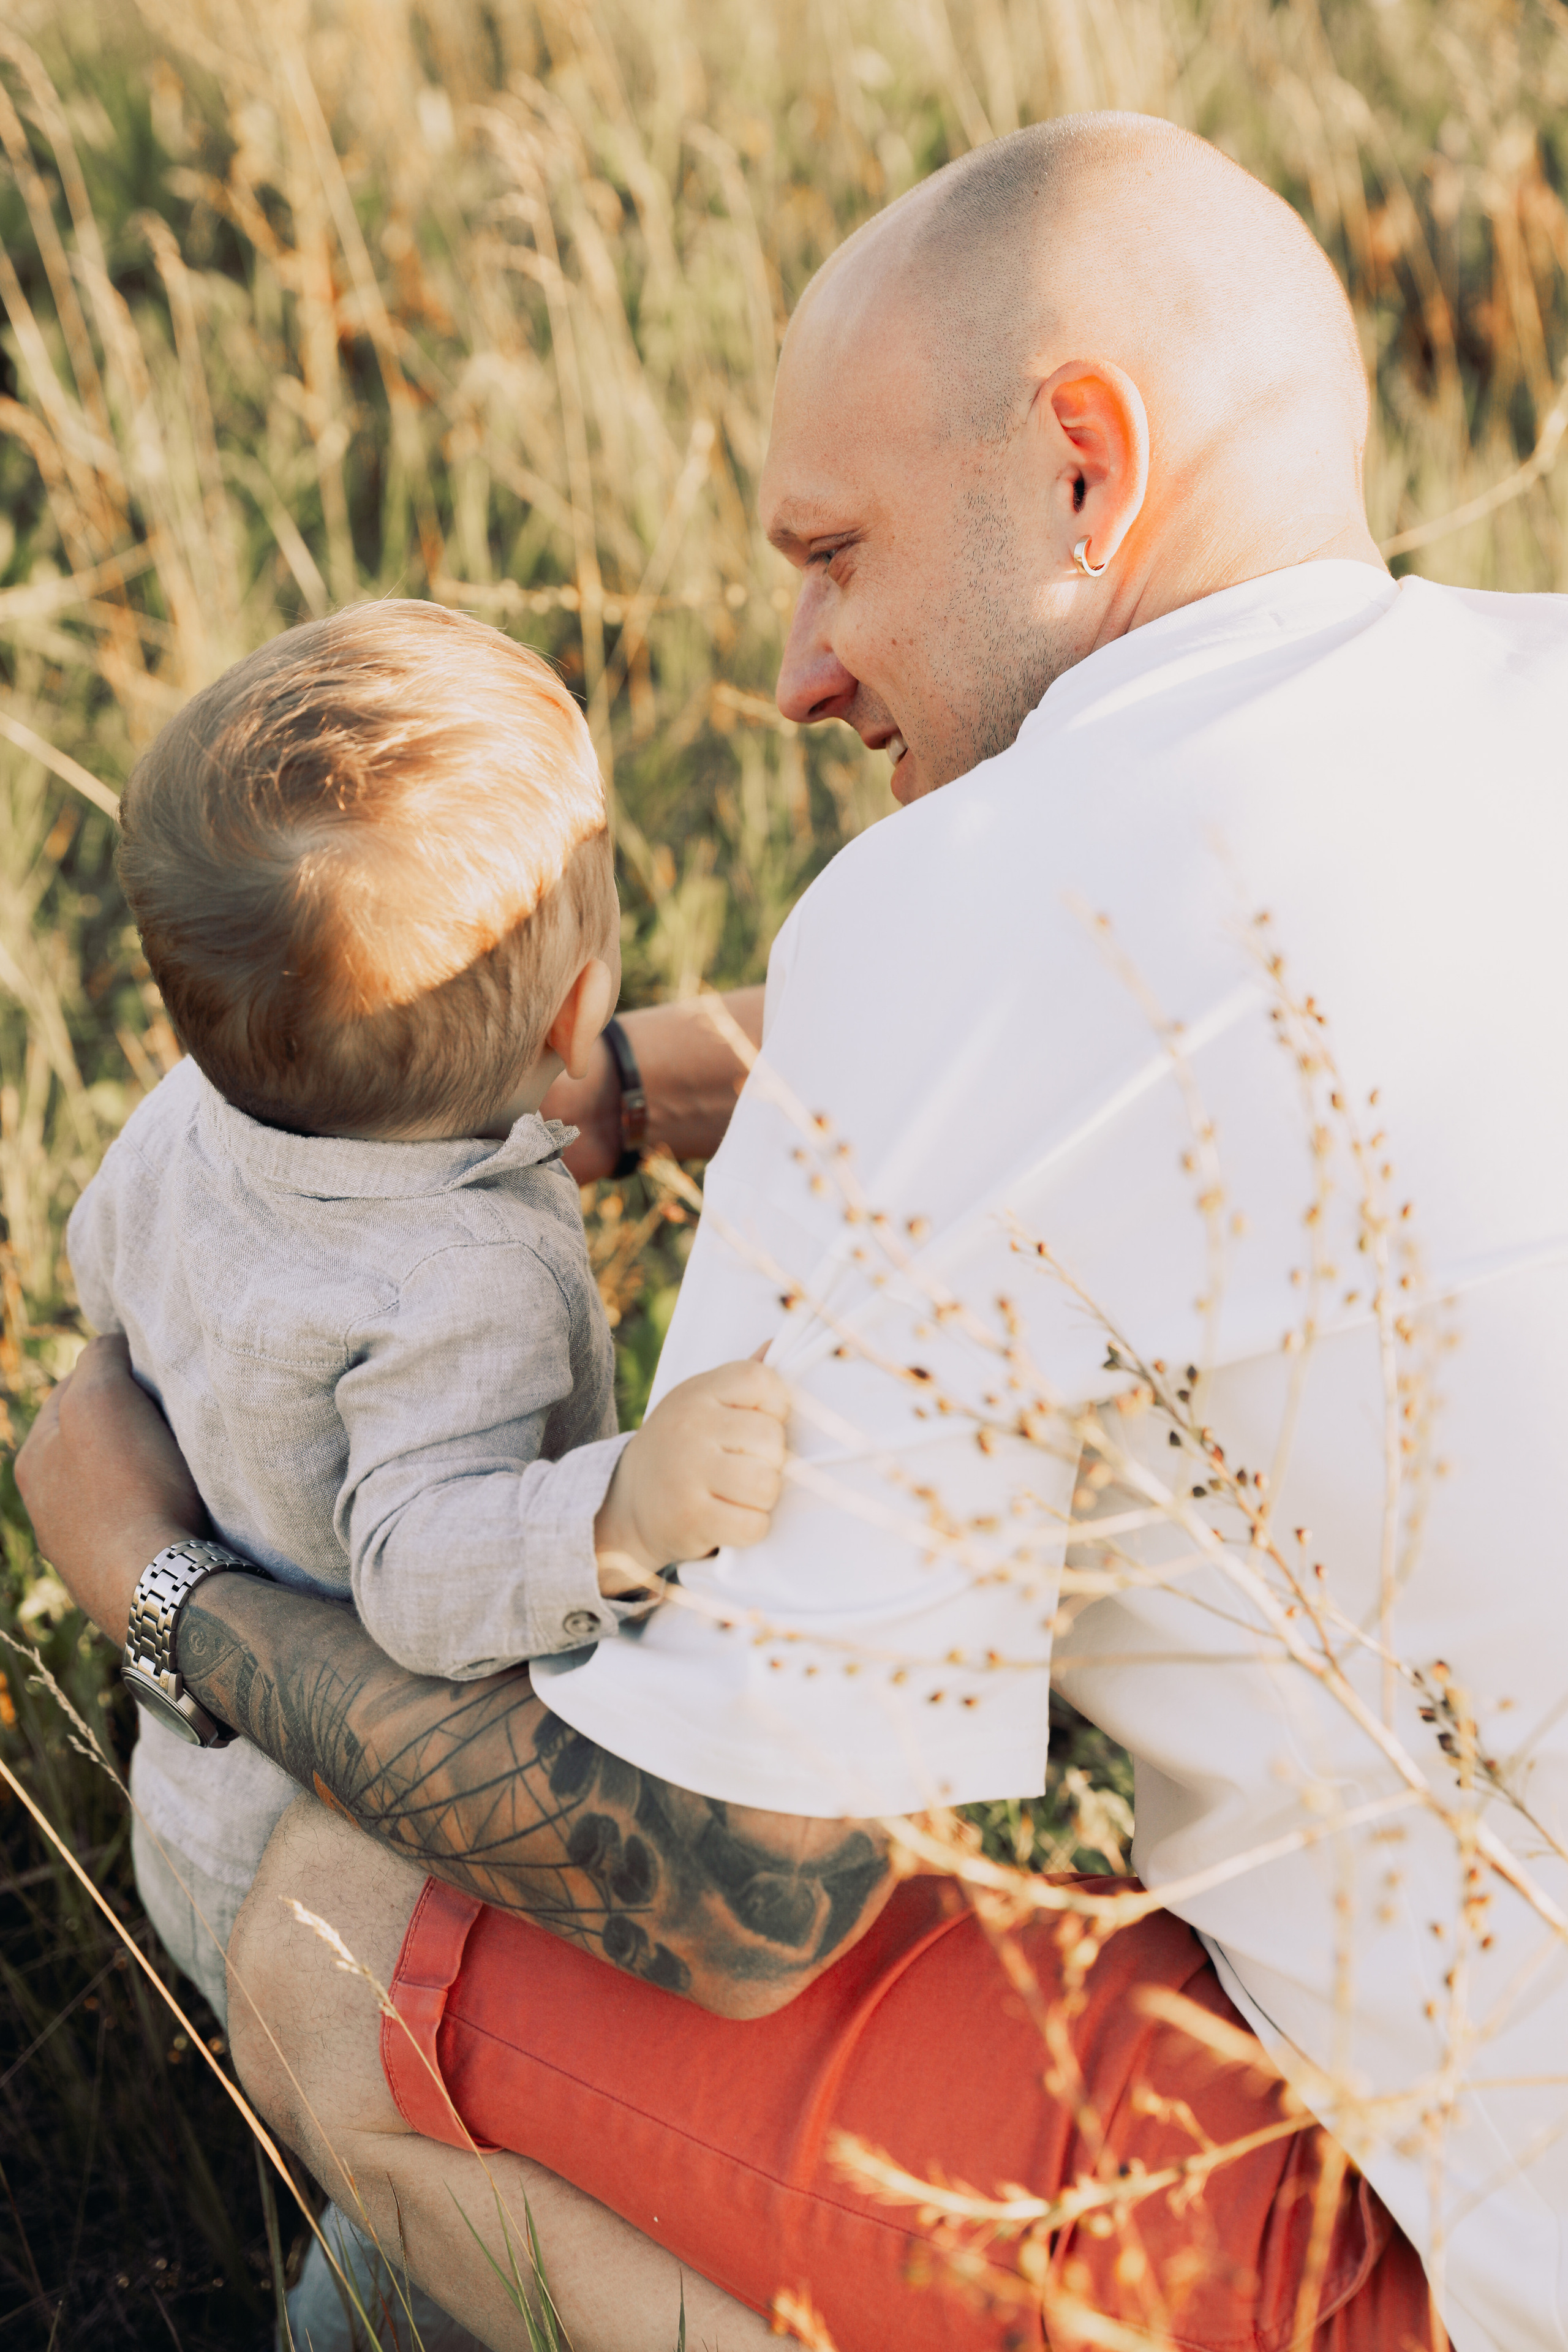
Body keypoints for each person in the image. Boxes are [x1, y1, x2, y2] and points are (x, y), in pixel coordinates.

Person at [21, 110, 1568, 2352]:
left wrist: (150, 1585)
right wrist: (646, 1082)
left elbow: (734, 1898)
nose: (795, 674)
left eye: (831, 551)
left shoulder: (978, 909)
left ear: (1080, 468)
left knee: (343, 1930)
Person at [69, 598, 788, 2021]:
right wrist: (619, 1512)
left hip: (204, 1790)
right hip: (375, 1873)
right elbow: (414, 1567)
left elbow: (109, 1285)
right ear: (573, 1012)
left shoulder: (183, 1121)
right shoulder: (467, 1280)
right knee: (405, 2201)